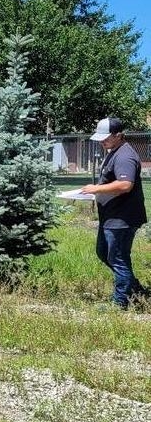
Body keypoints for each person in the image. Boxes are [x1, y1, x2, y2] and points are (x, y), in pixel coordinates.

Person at [80, 117, 148, 309]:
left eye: (106, 138)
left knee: (117, 258)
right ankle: (135, 291)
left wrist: (96, 189)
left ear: (118, 135)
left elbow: (125, 185)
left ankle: (120, 304)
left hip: (122, 218)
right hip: (111, 216)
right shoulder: (114, 151)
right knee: (104, 253)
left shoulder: (125, 155)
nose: (102, 141)